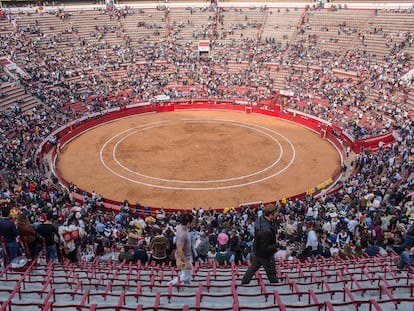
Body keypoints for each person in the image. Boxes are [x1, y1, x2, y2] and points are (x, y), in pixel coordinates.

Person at [241, 204, 279, 284]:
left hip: (257, 251)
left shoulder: (260, 219)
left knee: (251, 270)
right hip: (266, 256)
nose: (277, 214)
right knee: (272, 275)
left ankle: (243, 284)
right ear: (271, 214)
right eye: (275, 213)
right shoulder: (267, 230)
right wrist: (278, 245)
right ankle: (276, 287)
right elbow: (265, 248)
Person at [168, 213, 194, 285]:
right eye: (192, 222)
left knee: (187, 274)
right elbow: (179, 249)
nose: (193, 224)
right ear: (188, 223)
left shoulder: (182, 228)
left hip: (187, 255)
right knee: (185, 276)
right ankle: (169, 285)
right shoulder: (182, 234)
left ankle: (188, 286)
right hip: (185, 257)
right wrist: (186, 262)